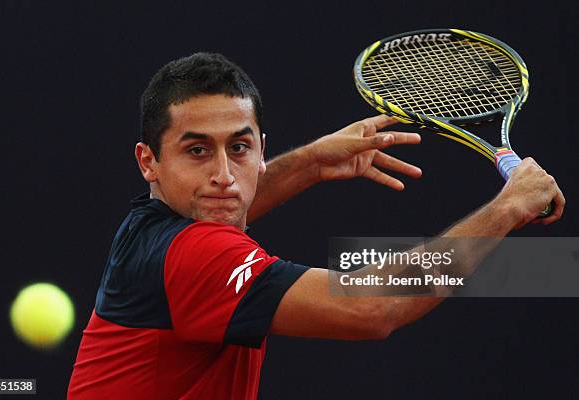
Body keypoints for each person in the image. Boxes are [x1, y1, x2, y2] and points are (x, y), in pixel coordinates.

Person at [67, 53, 564, 399]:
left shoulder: (146, 226)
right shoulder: (198, 254)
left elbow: (227, 201)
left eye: (239, 147)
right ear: (148, 161)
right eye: (197, 151)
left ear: (262, 148)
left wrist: (310, 162)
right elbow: (372, 308)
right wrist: (508, 207)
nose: (223, 174)